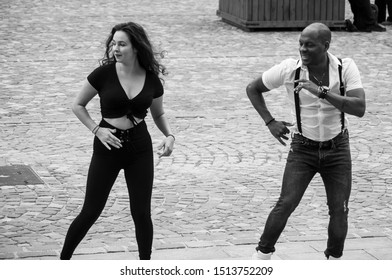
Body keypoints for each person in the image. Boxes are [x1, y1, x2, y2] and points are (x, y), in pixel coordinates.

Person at [246, 22, 366, 260]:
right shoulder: (289, 69)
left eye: (309, 45)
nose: (303, 49)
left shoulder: (345, 68)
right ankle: (261, 256)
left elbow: (359, 108)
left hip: (337, 147)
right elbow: (253, 88)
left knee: (339, 210)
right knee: (286, 203)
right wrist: (270, 122)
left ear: (325, 46)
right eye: (300, 43)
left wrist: (320, 91)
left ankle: (333, 260)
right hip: (303, 148)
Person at [60, 22, 175, 260]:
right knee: (91, 210)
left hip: (139, 147)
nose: (116, 49)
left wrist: (169, 136)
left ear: (136, 47)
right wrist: (96, 130)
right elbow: (77, 105)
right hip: (106, 146)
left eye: (122, 44)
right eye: (113, 44)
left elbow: (158, 113)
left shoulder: (152, 79)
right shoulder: (103, 74)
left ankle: (145, 266)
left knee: (141, 212)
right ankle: (63, 262)